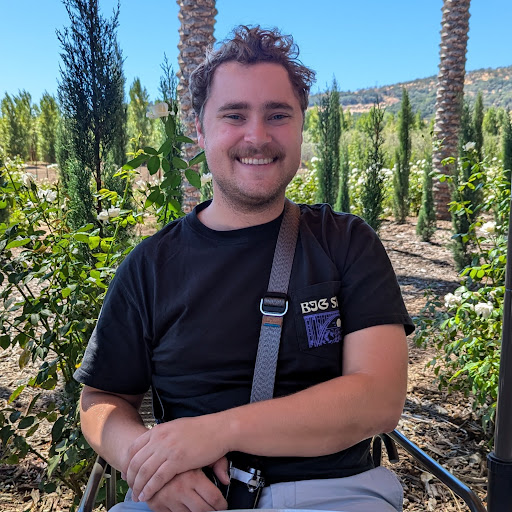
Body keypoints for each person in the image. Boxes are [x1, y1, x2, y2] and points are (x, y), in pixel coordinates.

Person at [74, 25, 414, 512]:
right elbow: (100, 399)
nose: (257, 136)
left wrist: (215, 432)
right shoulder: (150, 266)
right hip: (184, 499)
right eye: (234, 115)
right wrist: (145, 465)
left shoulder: (345, 243)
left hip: (334, 493)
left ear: (300, 125)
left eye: (278, 115)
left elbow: (378, 399)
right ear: (200, 129)